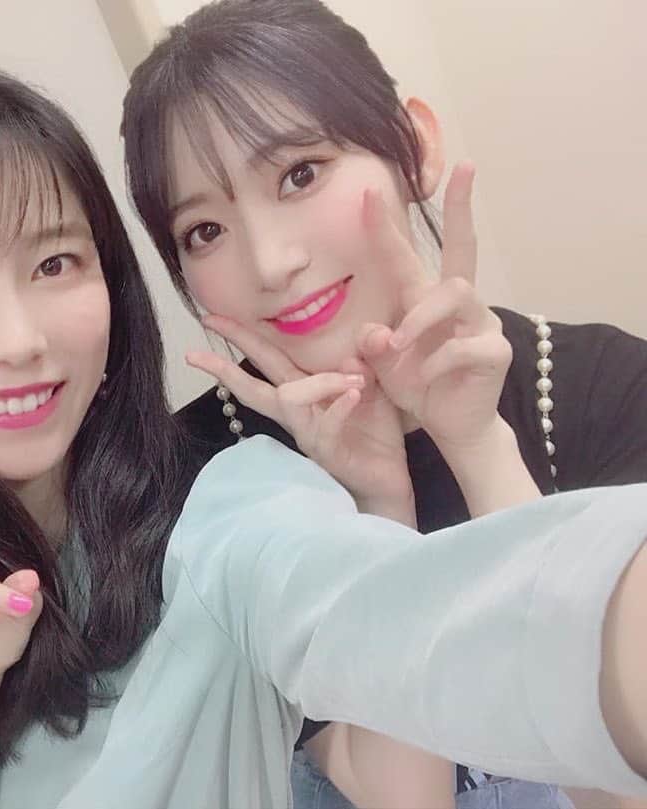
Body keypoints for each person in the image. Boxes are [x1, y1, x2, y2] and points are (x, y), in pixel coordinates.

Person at [0, 63, 647, 809]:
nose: (18, 340)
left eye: (56, 261)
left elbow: (472, 659)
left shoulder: (223, 507)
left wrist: (402, 488)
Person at [119, 1, 647, 807]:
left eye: (300, 174)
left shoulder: (601, 386)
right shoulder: (195, 486)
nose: (272, 260)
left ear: (414, 145)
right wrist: (379, 509)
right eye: (204, 230)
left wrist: (479, 447)